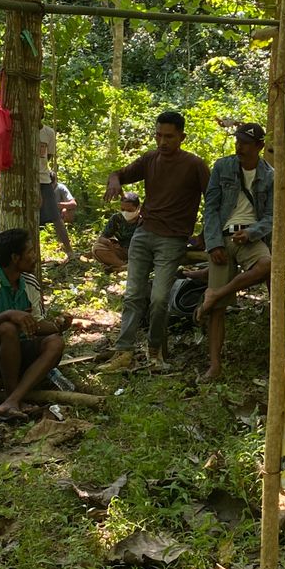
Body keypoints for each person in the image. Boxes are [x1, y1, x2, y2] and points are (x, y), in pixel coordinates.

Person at [102, 110, 210, 373]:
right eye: (159, 135)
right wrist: (114, 182)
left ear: (182, 137)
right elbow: (118, 173)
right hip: (143, 233)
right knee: (133, 295)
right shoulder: (151, 159)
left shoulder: (195, 165)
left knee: (160, 298)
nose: (163, 142)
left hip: (172, 239)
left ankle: (154, 351)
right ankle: (124, 352)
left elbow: (214, 201)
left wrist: (205, 236)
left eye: (169, 137)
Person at [0, 228, 70, 417]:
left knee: (55, 341)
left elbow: (37, 324)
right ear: (14, 257)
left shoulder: (30, 282)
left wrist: (57, 325)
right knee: (7, 328)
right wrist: (8, 315)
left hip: (18, 354)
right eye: (30, 252)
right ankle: (12, 395)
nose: (35, 257)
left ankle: (13, 400)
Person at [198, 122, 273, 382]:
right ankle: (214, 365)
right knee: (217, 310)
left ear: (259, 147)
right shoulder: (222, 167)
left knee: (268, 264)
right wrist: (214, 242)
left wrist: (252, 232)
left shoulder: (270, 176)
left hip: (250, 238)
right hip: (223, 236)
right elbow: (211, 207)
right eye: (238, 141)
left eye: (246, 143)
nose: (239, 147)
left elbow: (273, 216)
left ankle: (217, 291)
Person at [36, 121, 76, 258]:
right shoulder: (21, 130)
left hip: (43, 180)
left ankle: (69, 251)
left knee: (56, 217)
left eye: (41, 108)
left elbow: (48, 157)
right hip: (26, 181)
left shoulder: (49, 133)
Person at [91, 190, 142, 270]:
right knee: (97, 248)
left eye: (129, 210)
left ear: (138, 207)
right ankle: (123, 265)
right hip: (121, 251)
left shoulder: (144, 220)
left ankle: (122, 267)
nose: (125, 213)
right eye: (123, 209)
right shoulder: (117, 218)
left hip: (139, 253)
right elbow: (102, 237)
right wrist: (107, 242)